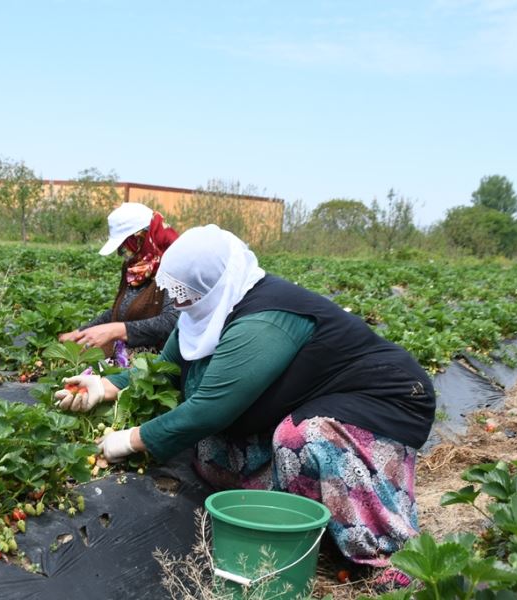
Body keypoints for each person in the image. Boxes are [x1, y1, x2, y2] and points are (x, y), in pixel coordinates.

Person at [54, 224, 435, 589]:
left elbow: (209, 410)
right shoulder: (207, 309)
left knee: (302, 439)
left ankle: (386, 553)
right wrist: (105, 386)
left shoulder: (264, 320)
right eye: (175, 292)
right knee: (211, 453)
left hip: (385, 399)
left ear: (211, 285)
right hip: (313, 396)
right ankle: (312, 519)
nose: (176, 301)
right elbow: (164, 371)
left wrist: (133, 439)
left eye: (183, 294)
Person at [58, 202, 179, 365]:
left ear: (140, 238)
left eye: (125, 246)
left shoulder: (175, 267)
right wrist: (81, 332)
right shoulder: (135, 268)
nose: (124, 253)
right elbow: (120, 311)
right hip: (129, 358)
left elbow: (172, 322)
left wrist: (118, 330)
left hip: (160, 366)